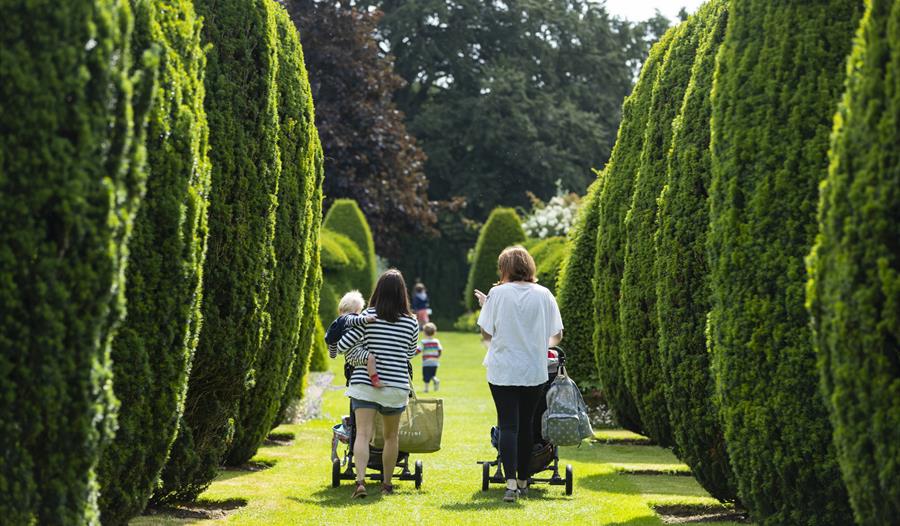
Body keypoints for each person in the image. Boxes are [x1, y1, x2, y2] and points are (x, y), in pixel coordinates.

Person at [475, 246, 563, 502]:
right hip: (533, 369)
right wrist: (537, 344)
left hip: (503, 368)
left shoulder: (497, 294)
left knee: (508, 425)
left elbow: (486, 333)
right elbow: (557, 334)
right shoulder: (544, 294)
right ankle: (523, 480)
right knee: (526, 425)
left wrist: (488, 310)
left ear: (505, 268)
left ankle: (510, 483)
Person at [338, 270, 419, 499]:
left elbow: (348, 346)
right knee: (391, 437)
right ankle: (387, 484)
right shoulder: (411, 322)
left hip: (364, 384)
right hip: (395, 386)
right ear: (402, 293)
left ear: (378, 291)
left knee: (363, 434)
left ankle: (360, 482)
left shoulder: (367, 316)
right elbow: (410, 353)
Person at [325, 291, 381, 387]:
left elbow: (332, 340)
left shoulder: (338, 322)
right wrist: (366, 319)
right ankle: (375, 379)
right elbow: (355, 320)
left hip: (349, 356)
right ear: (356, 310)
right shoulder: (349, 318)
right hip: (355, 353)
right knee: (371, 358)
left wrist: (332, 354)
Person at [416, 322, 443, 392]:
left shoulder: (423, 342)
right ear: (434, 332)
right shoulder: (436, 341)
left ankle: (426, 389)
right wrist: (438, 357)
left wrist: (413, 354)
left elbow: (419, 350)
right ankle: (436, 380)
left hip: (426, 362)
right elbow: (440, 350)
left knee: (426, 376)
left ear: (424, 333)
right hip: (435, 362)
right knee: (432, 374)